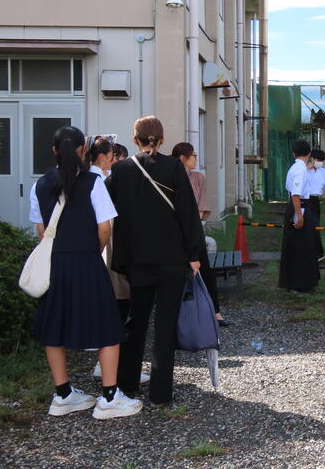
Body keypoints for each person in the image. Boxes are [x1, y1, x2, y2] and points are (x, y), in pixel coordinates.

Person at [29, 126, 142, 420]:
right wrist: (93, 250)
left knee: (53, 329)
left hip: (55, 264)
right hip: (88, 261)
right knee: (107, 328)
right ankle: (109, 398)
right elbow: (105, 227)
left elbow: (41, 230)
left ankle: (63, 395)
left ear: (54, 151)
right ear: (83, 150)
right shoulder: (93, 181)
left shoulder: (40, 184)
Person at [107, 116, 203, 405]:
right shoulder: (173, 167)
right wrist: (194, 254)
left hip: (136, 258)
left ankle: (127, 383)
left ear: (134, 140)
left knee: (136, 320)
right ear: (162, 139)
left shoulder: (121, 169)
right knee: (165, 323)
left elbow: (111, 212)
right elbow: (188, 212)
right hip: (172, 257)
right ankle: (161, 392)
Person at [85, 136, 149, 385]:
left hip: (102, 249)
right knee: (119, 312)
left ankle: (111, 367)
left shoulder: (86, 179)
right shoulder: (99, 181)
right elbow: (105, 226)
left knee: (114, 310)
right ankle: (114, 371)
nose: (115, 162)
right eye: (114, 157)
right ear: (103, 157)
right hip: (109, 248)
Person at [171, 142, 227, 327]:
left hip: (195, 230)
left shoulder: (197, 177)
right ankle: (181, 314)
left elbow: (202, 207)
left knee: (205, 270)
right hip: (175, 233)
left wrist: (192, 220)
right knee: (177, 275)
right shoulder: (171, 176)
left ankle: (214, 310)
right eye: (193, 155)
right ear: (182, 158)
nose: (196, 158)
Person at [278, 140, 319, 293]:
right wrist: (300, 216)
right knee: (302, 247)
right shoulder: (300, 169)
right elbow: (296, 194)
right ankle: (300, 284)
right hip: (300, 207)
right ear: (309, 154)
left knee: (295, 246)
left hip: (297, 207)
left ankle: (293, 282)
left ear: (293, 154)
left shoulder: (295, 167)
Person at [306, 149, 325, 262]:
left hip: (314, 201)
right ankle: (304, 254)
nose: (320, 163)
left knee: (315, 227)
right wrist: (307, 167)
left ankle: (318, 254)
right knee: (303, 227)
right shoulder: (304, 169)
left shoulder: (323, 172)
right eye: (318, 160)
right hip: (303, 200)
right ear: (312, 159)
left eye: (322, 161)